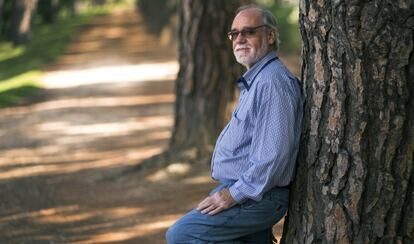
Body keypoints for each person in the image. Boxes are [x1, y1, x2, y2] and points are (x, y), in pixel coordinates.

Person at [166, 4, 303, 243]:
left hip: (257, 194)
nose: (239, 39)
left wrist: (232, 195)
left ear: (270, 36)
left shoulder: (271, 83)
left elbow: (273, 155)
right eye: (234, 33)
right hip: (249, 190)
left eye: (249, 32)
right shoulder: (259, 79)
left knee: (182, 235)